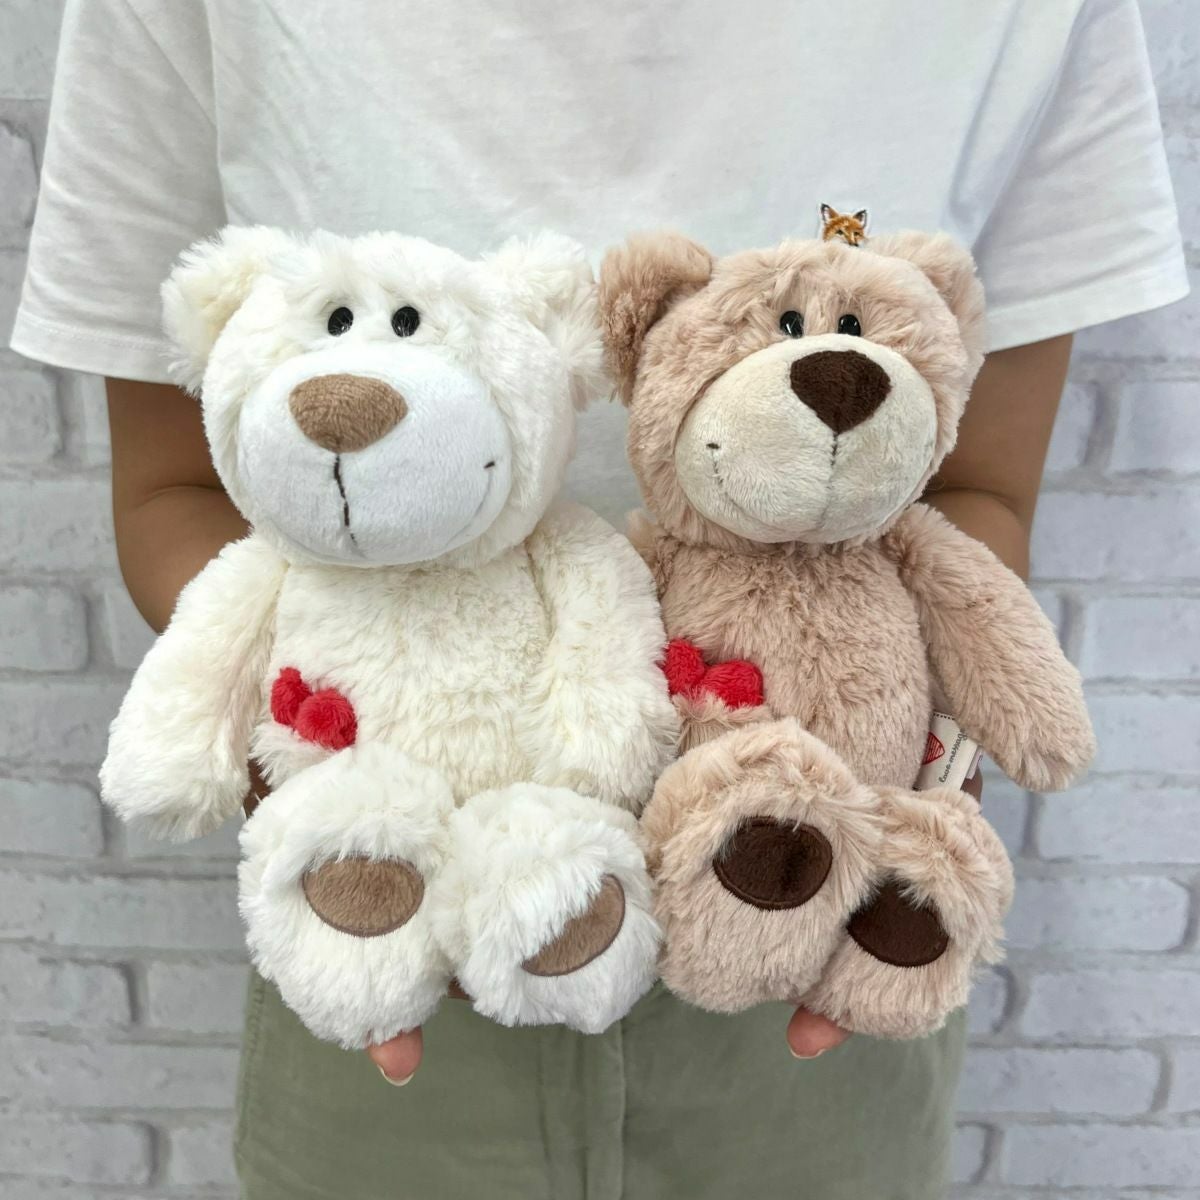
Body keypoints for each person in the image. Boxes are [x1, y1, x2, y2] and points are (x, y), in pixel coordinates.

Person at [10, 2, 1186, 1197]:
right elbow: (172, 490)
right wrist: (320, 744)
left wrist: (921, 728)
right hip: (391, 918)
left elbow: (978, 496)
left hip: (827, 920)